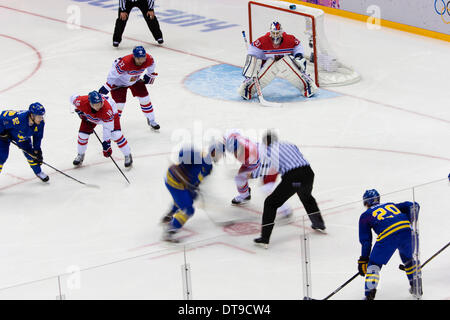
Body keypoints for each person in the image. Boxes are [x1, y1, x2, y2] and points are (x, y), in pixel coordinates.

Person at [253, 130, 325, 248]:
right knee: (307, 197)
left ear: (266, 143)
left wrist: (251, 175)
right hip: (308, 173)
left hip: (293, 177)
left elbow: (264, 169)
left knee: (270, 203)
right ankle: (319, 224)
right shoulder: (289, 144)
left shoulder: (269, 150)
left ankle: (264, 238)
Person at [357, 189, 422, 300]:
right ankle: (416, 287)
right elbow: (414, 205)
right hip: (408, 231)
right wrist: (407, 221)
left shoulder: (365, 215)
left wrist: (364, 259)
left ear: (366, 203)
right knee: (409, 259)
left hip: (388, 235)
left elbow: (366, 241)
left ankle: (369, 295)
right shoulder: (391, 205)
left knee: (374, 264)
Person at [160, 143, 224, 242]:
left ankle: (170, 214)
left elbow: (197, 178)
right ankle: (170, 230)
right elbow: (184, 152)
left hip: (180, 183)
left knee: (193, 195)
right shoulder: (201, 157)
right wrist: (183, 168)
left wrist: (195, 186)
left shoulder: (209, 167)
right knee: (188, 209)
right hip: (174, 182)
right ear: (214, 151)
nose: (221, 157)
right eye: (221, 154)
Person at [239, 21, 317, 100]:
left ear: (281, 32)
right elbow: (252, 50)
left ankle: (307, 86)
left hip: (286, 63)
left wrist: (298, 55)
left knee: (286, 61)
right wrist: (252, 66)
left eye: (277, 33)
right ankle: (249, 88)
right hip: (267, 65)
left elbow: (297, 45)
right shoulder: (263, 41)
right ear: (270, 32)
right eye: (273, 33)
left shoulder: (289, 39)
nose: (275, 35)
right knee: (261, 64)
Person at [223, 130, 293, 218]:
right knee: (239, 178)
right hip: (257, 159)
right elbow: (229, 135)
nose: (234, 153)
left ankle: (285, 209)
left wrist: (248, 175)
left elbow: (256, 171)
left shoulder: (249, 154)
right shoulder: (235, 138)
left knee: (267, 187)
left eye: (235, 150)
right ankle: (245, 196)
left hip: (269, 163)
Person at [99, 46, 160, 130]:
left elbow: (152, 66)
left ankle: (151, 120)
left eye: (143, 58)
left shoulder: (149, 59)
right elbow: (113, 74)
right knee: (119, 106)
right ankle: (111, 125)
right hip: (118, 83)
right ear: (134, 57)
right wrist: (107, 86)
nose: (141, 61)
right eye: (138, 59)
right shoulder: (125, 62)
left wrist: (149, 75)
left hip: (135, 80)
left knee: (145, 99)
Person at [70, 91, 133, 168]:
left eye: (99, 104)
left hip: (110, 117)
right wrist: (78, 110)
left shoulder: (107, 110)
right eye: (95, 105)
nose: (98, 107)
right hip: (90, 116)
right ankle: (80, 154)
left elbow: (107, 128)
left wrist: (107, 143)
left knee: (116, 135)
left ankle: (127, 154)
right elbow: (72, 98)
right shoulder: (82, 101)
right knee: (82, 135)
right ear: (90, 103)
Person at [0, 103, 49, 182]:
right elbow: (2, 116)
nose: (41, 119)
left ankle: (39, 172)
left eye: (42, 116)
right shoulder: (19, 118)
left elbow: (38, 137)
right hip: (5, 136)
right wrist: (1, 132)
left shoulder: (40, 123)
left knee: (32, 155)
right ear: (32, 115)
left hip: (23, 137)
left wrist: (37, 151)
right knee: (2, 157)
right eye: (39, 116)